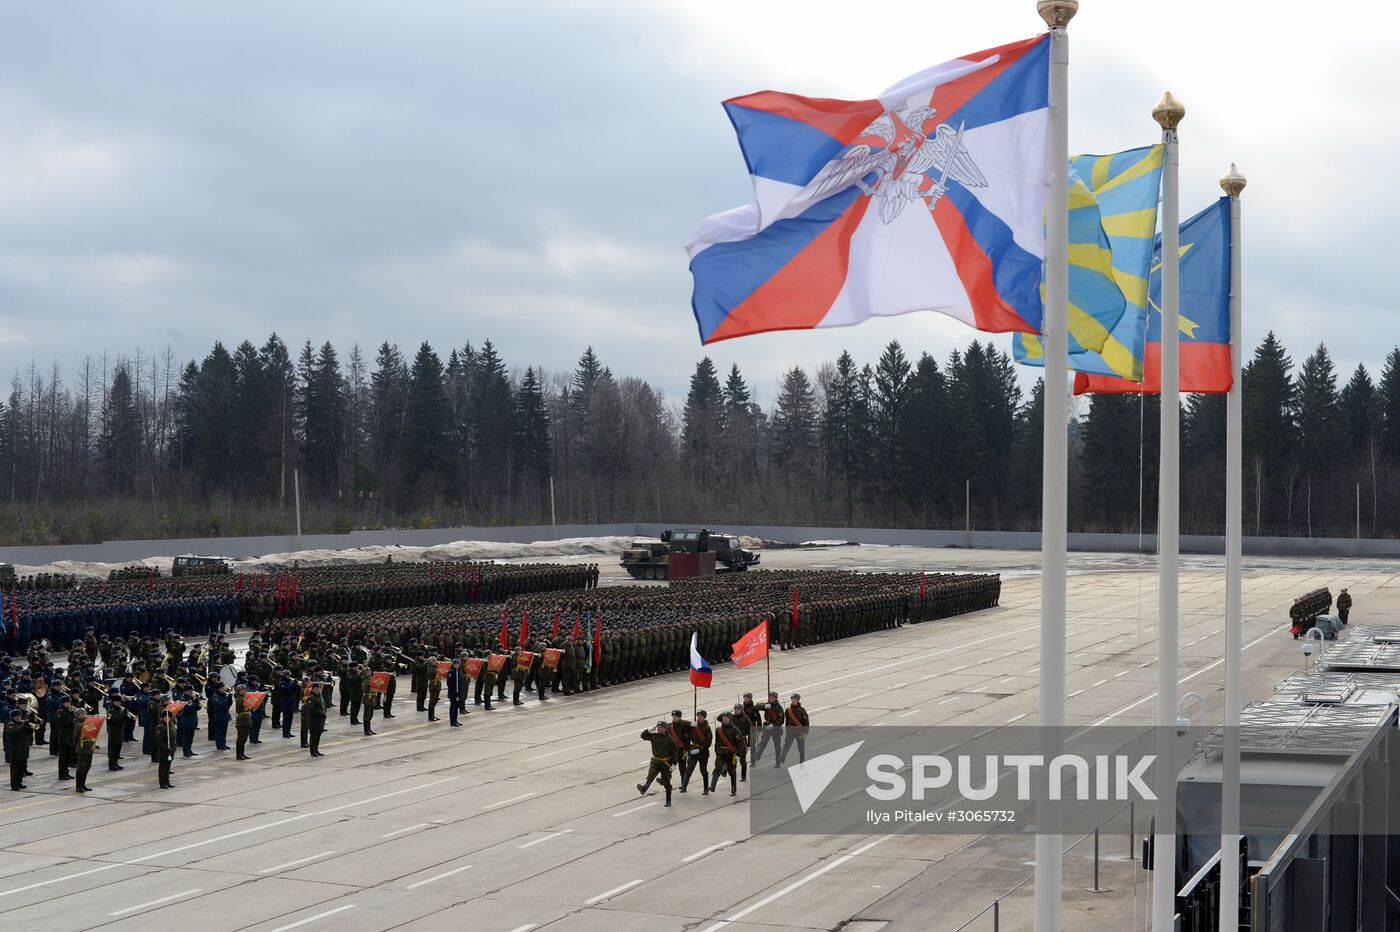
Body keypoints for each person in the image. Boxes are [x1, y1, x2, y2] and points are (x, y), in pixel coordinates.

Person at [637, 721, 679, 808]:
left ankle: (668, 800)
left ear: (665, 729)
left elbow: (675, 752)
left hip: (665, 763)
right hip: (655, 761)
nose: (658, 728)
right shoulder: (654, 736)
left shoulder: (670, 739)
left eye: (660, 727)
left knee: (667, 783)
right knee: (650, 775)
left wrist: (674, 764)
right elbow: (643, 736)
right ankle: (643, 788)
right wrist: (649, 730)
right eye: (657, 727)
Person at [710, 711, 743, 796]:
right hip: (721, 753)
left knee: (732, 772)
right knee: (717, 768)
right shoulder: (718, 729)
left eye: (726, 717)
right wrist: (717, 752)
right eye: (723, 717)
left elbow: (740, 743)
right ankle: (712, 786)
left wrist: (739, 754)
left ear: (730, 718)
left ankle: (733, 789)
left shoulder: (734, 730)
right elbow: (717, 742)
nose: (724, 718)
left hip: (730, 754)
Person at [682, 709, 713, 795]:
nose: (699, 717)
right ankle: (684, 787)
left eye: (701, 716)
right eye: (698, 716)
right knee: (689, 769)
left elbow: (708, 742)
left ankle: (706, 788)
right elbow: (682, 724)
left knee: (703, 771)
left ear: (704, 717)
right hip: (693, 751)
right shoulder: (693, 726)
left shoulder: (707, 728)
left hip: (702, 753)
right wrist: (690, 724)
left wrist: (699, 749)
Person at [778, 693, 810, 767]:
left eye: (795, 699)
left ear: (798, 700)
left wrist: (805, 733)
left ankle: (802, 762)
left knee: (801, 748)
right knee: (786, 746)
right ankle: (782, 758)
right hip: (790, 732)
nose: (793, 700)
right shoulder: (788, 710)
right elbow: (787, 722)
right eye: (792, 699)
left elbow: (806, 723)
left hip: (800, 732)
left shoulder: (802, 710)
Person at [753, 691, 783, 766]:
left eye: (772, 697)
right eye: (769, 697)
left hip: (776, 729)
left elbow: (781, 720)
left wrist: (773, 725)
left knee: (777, 746)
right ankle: (757, 756)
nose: (770, 698)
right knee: (763, 742)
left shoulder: (779, 708)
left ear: (775, 698)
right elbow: (756, 706)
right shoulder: (767, 705)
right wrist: (764, 707)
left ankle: (778, 762)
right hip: (767, 728)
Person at [6, 709, 31, 790]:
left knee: (21, 768)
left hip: (23, 749)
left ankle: (19, 782)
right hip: (15, 750)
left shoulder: (21, 723)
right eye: (16, 716)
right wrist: (24, 725)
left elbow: (31, 732)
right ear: (13, 717)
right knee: (15, 769)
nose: (18, 717)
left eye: (19, 716)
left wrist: (29, 726)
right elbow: (15, 732)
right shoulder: (11, 725)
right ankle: (14, 784)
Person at [73, 709, 95, 792]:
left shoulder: (87, 723)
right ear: (78, 716)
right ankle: (78, 786)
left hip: (89, 747)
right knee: (81, 767)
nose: (84, 715)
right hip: (82, 748)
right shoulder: (78, 724)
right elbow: (77, 736)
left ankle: (83, 784)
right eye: (82, 714)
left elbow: (93, 730)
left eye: (85, 714)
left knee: (87, 767)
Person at [55, 694, 76, 781]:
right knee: (63, 758)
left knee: (68, 757)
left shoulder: (69, 711)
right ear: (63, 703)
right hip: (63, 736)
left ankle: (66, 773)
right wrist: (72, 715)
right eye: (67, 702)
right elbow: (63, 724)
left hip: (70, 736)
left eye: (69, 702)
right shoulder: (60, 712)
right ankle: (62, 774)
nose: (69, 704)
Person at [156, 705, 177, 789]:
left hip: (171, 749)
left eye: (168, 718)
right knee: (163, 767)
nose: (167, 719)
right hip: (164, 750)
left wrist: (173, 748)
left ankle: (167, 781)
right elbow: (159, 741)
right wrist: (166, 748)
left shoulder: (171, 726)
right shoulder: (160, 727)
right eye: (165, 717)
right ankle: (162, 783)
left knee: (168, 767)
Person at [106, 697, 129, 771]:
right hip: (113, 731)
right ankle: (111, 765)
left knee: (118, 748)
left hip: (119, 730)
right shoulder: (110, 710)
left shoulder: (119, 709)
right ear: (114, 702)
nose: (120, 703)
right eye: (118, 702)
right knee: (113, 749)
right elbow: (114, 720)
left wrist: (126, 715)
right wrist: (123, 714)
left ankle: (115, 763)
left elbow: (122, 719)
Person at [305, 682, 327, 757]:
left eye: (318, 689)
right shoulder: (311, 698)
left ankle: (316, 750)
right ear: (312, 689)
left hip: (320, 720)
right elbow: (311, 709)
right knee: (313, 737)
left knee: (318, 737)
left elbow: (323, 707)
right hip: (314, 721)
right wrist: (321, 713)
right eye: (315, 689)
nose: (316, 690)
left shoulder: (320, 697)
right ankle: (312, 751)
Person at [208, 685, 232, 751]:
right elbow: (220, 704)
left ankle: (223, 743)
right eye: (222, 688)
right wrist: (227, 699)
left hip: (225, 714)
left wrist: (230, 700)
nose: (223, 689)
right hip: (219, 715)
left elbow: (228, 704)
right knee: (219, 731)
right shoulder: (215, 696)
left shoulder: (223, 695)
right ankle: (219, 744)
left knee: (224, 731)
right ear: (218, 689)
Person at [446, 659, 466, 727]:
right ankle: (452, 721)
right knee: (453, 707)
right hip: (453, 693)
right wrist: (455, 692)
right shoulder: (451, 672)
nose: (457, 665)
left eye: (458, 664)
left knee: (457, 707)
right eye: (455, 664)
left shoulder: (459, 672)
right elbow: (449, 684)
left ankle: (455, 720)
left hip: (459, 692)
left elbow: (460, 683)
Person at [234, 688, 252, 760]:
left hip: (246, 719)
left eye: (245, 690)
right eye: (242, 690)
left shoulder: (244, 698)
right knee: (241, 738)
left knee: (244, 738)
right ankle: (239, 755)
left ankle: (242, 753)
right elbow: (240, 708)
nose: (244, 691)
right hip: (242, 720)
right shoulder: (239, 699)